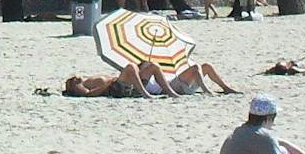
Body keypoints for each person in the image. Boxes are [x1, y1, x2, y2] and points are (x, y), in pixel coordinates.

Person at [62, 59, 237, 98]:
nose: (75, 76)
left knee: (204, 66)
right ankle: (147, 94)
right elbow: (88, 94)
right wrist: (107, 84)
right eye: (72, 79)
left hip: (119, 84)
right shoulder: (80, 86)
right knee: (131, 67)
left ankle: (226, 88)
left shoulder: (86, 79)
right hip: (116, 87)